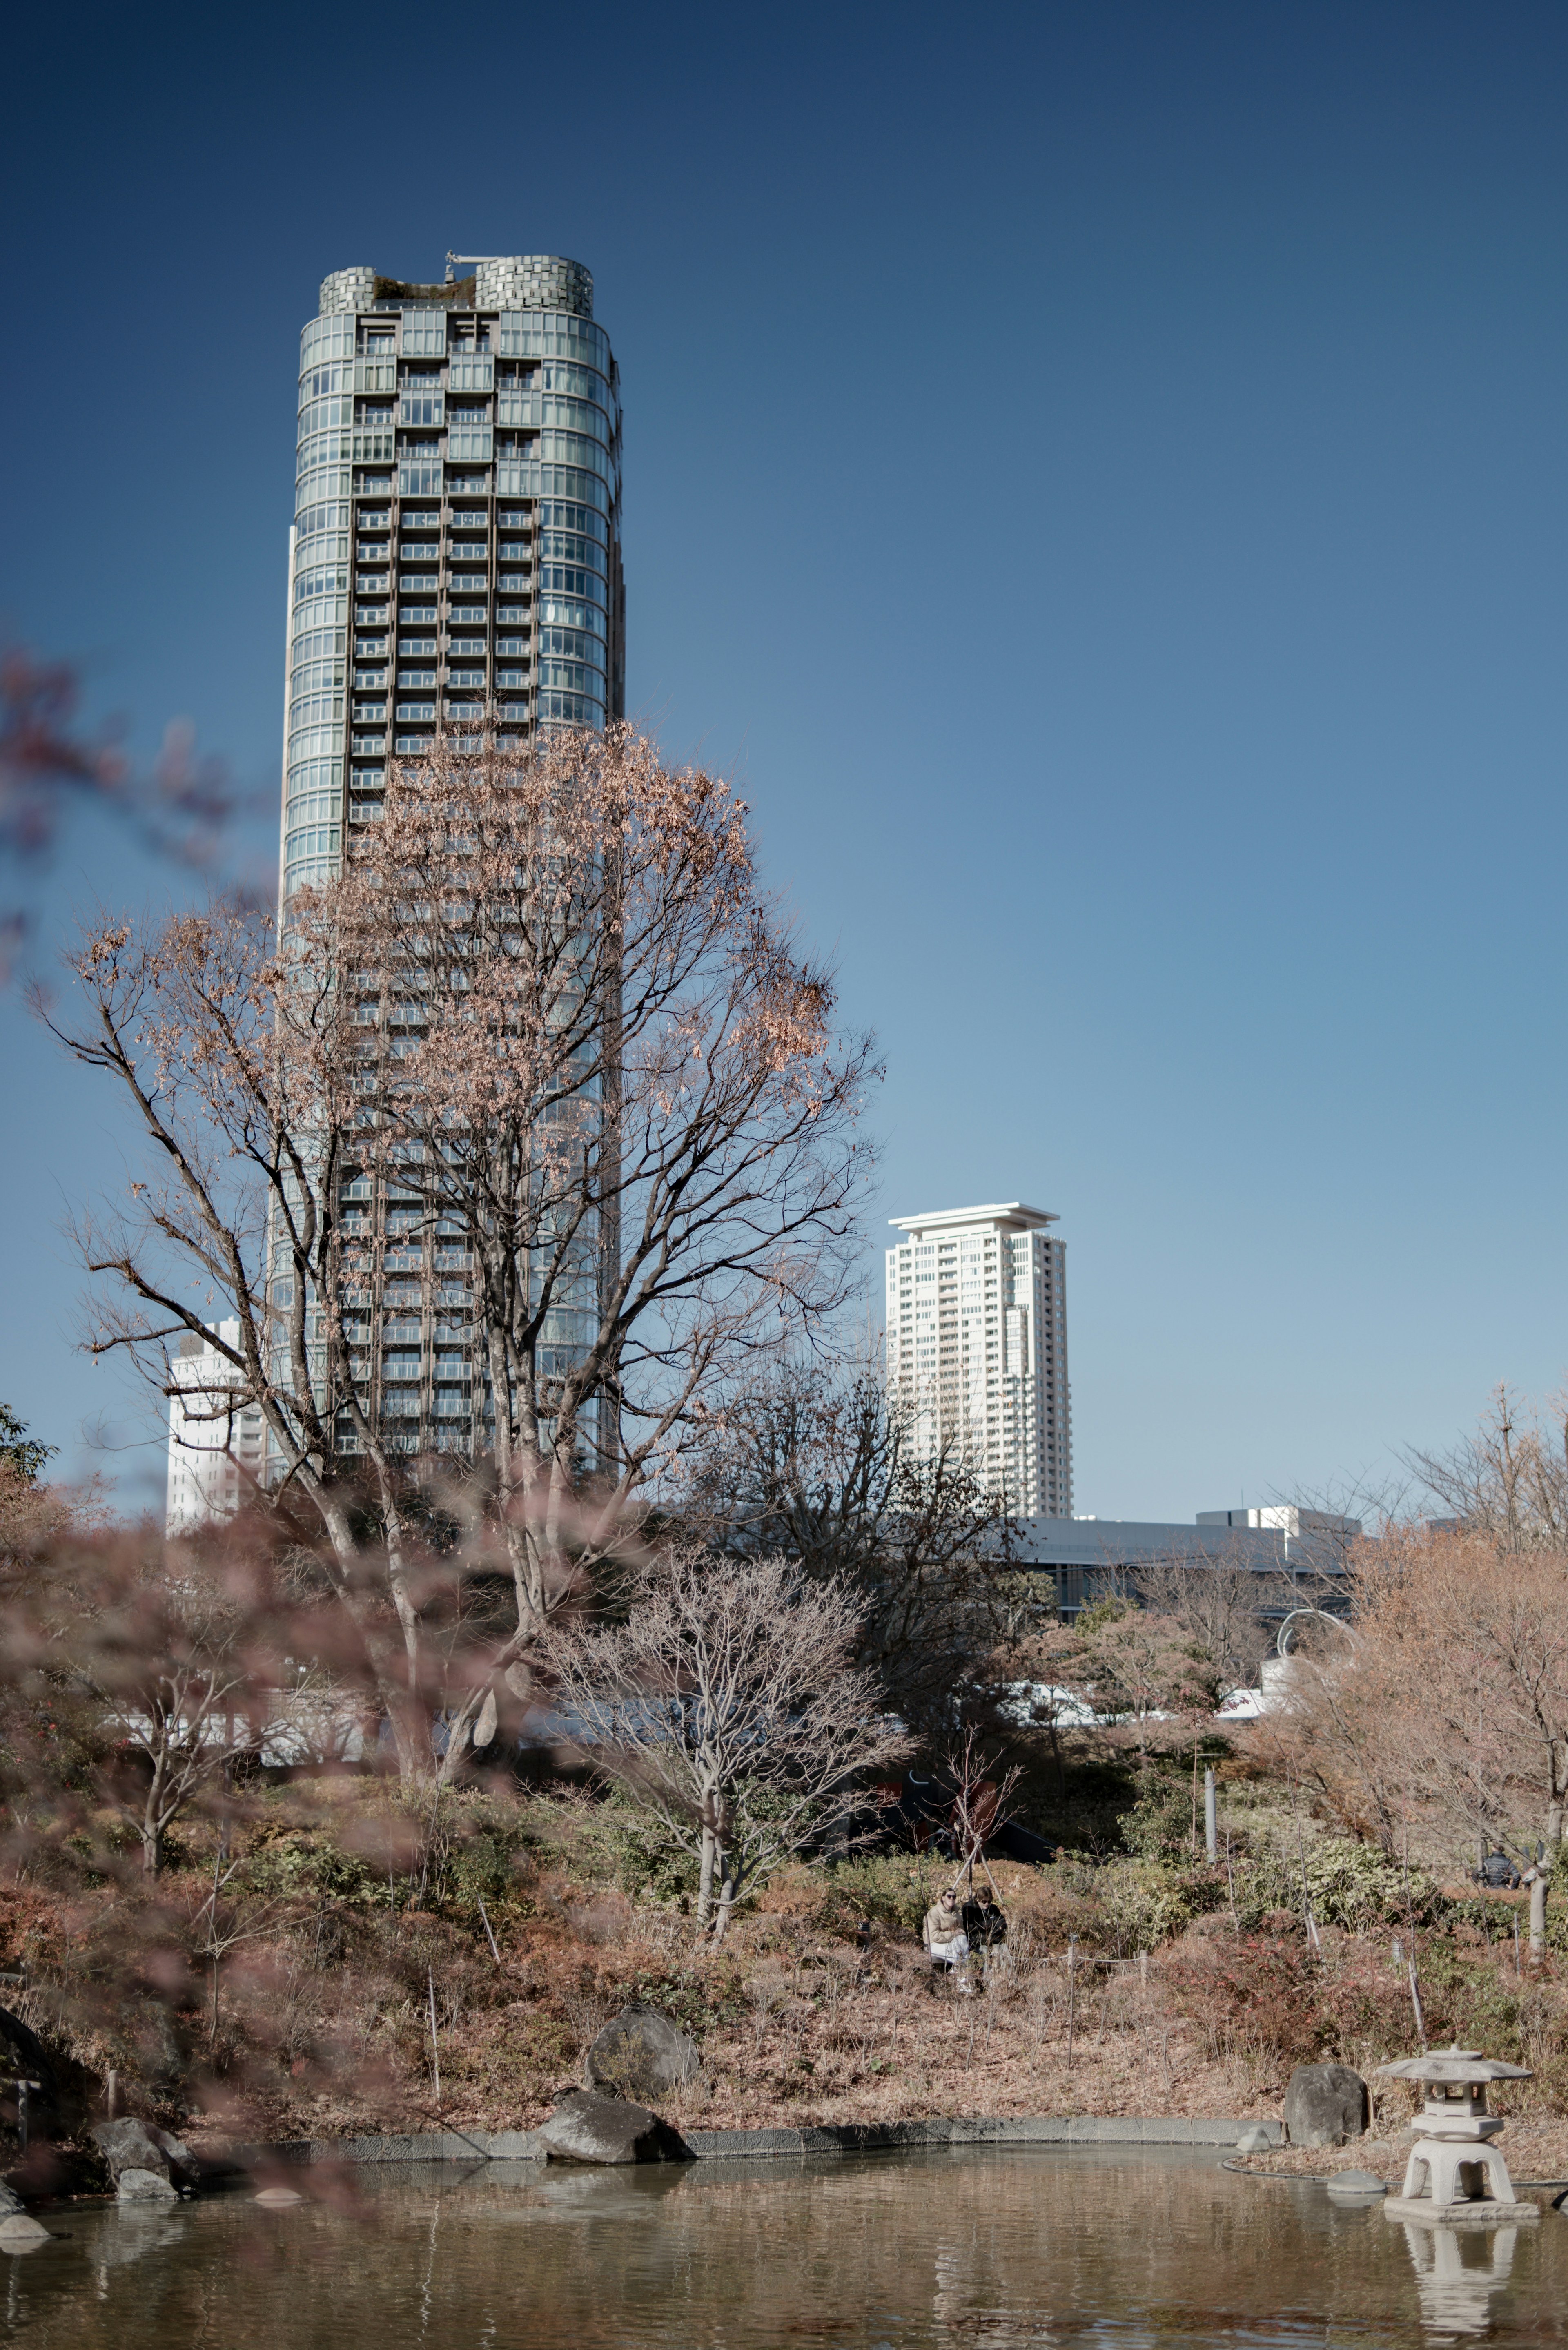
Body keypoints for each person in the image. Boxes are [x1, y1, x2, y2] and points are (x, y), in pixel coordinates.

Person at [921, 1887, 974, 1991]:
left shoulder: (957, 1912)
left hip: (951, 1944)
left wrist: (961, 1933)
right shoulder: (934, 1913)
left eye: (954, 1897)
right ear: (943, 1898)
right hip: (934, 1945)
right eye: (949, 1896)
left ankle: (958, 1976)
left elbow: (962, 1929)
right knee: (961, 1953)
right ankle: (962, 1982)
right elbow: (934, 1936)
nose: (952, 1899)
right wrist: (953, 1934)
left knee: (962, 1941)